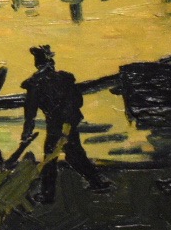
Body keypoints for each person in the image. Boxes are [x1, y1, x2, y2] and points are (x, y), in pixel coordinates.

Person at [19, 44, 111, 201]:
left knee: (51, 157)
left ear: (37, 64)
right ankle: (97, 182)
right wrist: (69, 120)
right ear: (51, 63)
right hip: (69, 123)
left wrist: (27, 131)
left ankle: (48, 194)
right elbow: (77, 101)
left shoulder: (35, 84)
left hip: (55, 125)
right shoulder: (65, 79)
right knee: (74, 154)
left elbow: (30, 112)